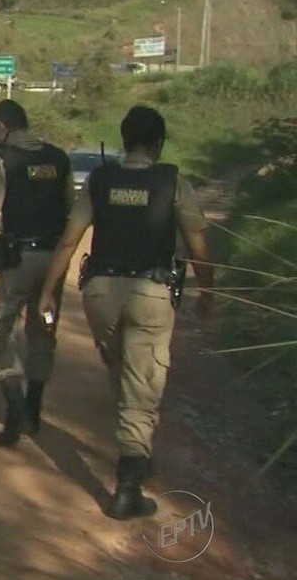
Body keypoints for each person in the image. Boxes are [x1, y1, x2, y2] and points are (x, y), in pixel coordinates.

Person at [38, 105, 214, 520]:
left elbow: (69, 240)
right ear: (159, 143)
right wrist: (210, 293)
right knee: (143, 383)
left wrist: (48, 291)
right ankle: (127, 487)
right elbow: (197, 244)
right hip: (150, 293)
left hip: (100, 294)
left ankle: (138, 447)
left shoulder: (100, 181)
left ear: (123, 139)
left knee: (122, 369)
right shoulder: (173, 183)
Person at [0, 99, 72, 448]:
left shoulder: (0, 161)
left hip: (18, 261)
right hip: (53, 260)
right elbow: (71, 213)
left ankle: (17, 412)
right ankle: (33, 408)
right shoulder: (59, 159)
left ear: (2, 128)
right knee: (43, 331)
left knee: (1, 331)